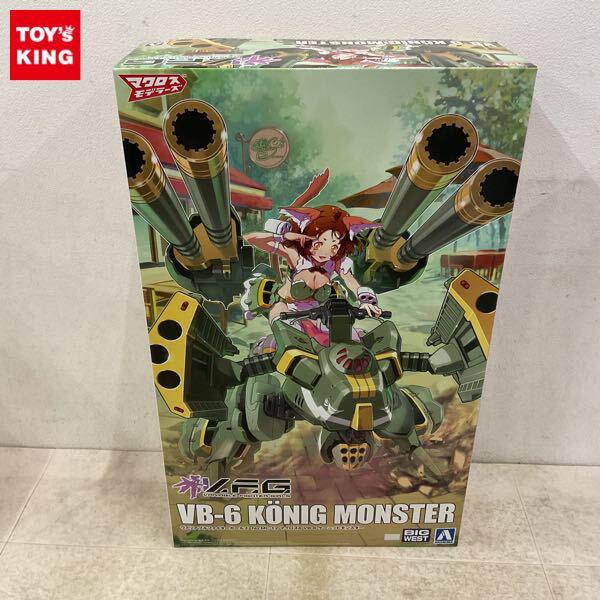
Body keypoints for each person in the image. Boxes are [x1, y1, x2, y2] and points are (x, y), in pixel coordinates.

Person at [242, 169, 382, 347]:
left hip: (321, 315)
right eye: (321, 242)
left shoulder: (335, 262)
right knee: (286, 342)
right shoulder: (297, 255)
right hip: (287, 312)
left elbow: (351, 281)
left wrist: (365, 301)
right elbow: (250, 238)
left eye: (334, 246)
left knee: (353, 340)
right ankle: (265, 347)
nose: (326, 251)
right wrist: (282, 236)